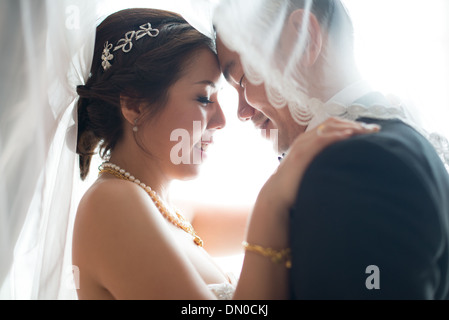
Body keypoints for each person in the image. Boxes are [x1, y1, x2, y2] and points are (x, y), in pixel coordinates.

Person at [72, 7, 377, 300]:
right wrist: (274, 194)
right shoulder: (112, 203)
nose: (221, 121)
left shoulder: (174, 212)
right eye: (204, 97)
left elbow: (304, 218)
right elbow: (274, 221)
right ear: (135, 105)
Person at [213, 0, 449, 299]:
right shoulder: (375, 144)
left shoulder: (359, 164)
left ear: (305, 40)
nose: (242, 112)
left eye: (243, 80)